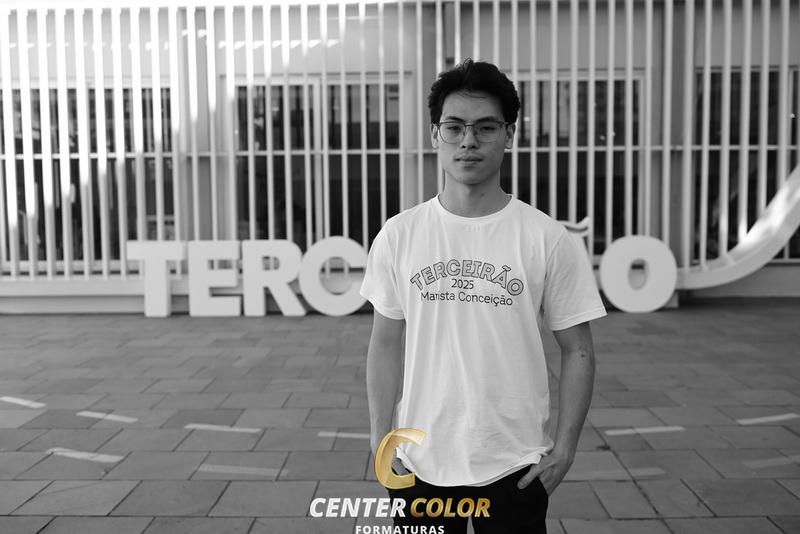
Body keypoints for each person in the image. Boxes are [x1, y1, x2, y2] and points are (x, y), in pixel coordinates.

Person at [360, 58, 606, 533]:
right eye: (454, 127)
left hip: (515, 463)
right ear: (435, 135)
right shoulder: (400, 235)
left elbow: (578, 349)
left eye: (485, 127)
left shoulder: (545, 237)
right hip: (419, 461)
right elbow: (385, 342)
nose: (468, 141)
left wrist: (565, 449)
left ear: (508, 134)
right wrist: (379, 438)